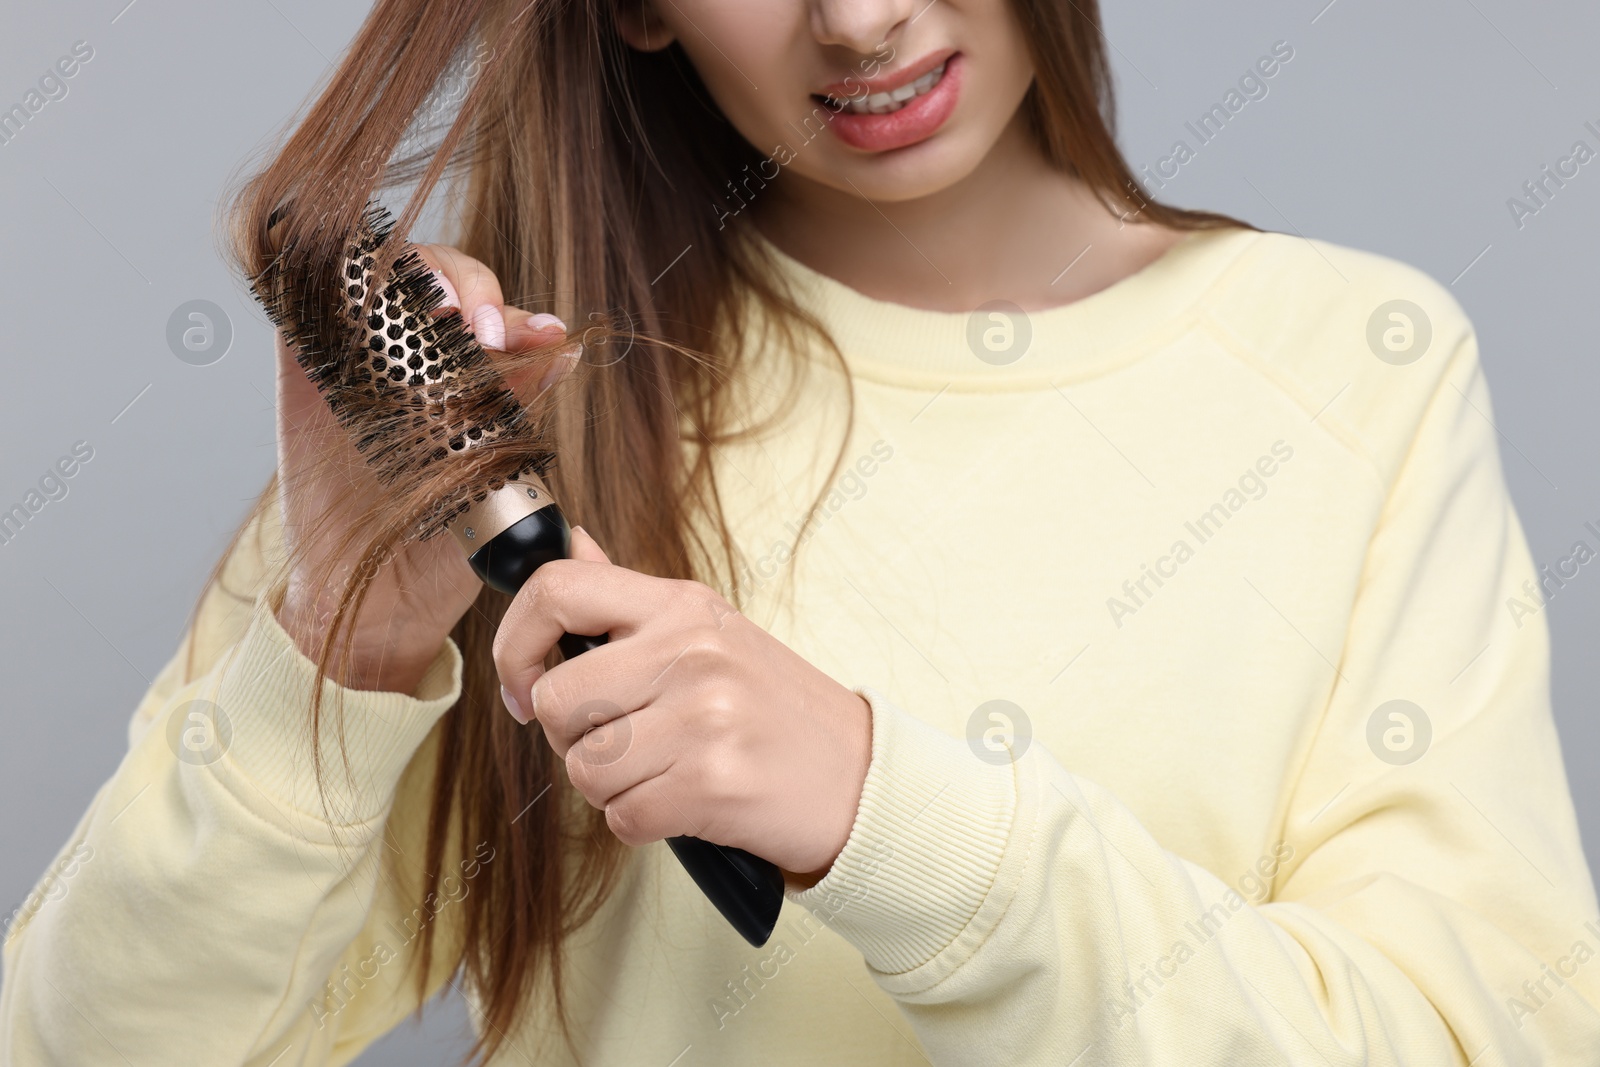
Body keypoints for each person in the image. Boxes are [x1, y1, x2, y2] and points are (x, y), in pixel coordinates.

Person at [5, 0, 1598, 1063]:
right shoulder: (515, 406)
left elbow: (1480, 1038)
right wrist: (342, 640)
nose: (856, 16)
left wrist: (883, 811)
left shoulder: (1357, 367)